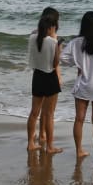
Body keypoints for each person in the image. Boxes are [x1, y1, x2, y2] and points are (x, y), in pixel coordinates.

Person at [61, 11, 93, 161]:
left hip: (82, 84)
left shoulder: (75, 42)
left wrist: (76, 63)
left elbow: (62, 58)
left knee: (79, 119)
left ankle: (79, 150)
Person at [26, 14, 63, 154]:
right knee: (49, 115)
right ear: (51, 27)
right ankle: (50, 146)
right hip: (50, 77)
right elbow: (55, 63)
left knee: (34, 113)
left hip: (37, 76)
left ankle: (30, 143)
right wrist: (58, 47)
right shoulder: (53, 42)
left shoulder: (32, 37)